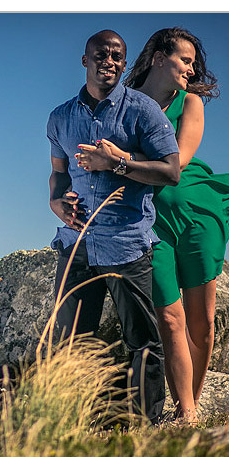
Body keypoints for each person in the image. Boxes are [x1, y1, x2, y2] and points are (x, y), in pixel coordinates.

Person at [99, 27, 229, 423]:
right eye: (184, 60)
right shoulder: (119, 104)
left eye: (194, 63)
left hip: (196, 213)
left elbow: (175, 163)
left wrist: (119, 158)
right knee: (169, 316)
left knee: (204, 320)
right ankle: (188, 414)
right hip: (146, 221)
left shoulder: (190, 103)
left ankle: (186, 406)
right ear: (159, 57)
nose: (190, 70)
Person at [47, 30, 181, 422]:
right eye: (101, 54)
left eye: (117, 56)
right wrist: (55, 202)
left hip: (126, 244)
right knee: (73, 345)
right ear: (84, 59)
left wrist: (117, 163)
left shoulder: (143, 111)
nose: (109, 60)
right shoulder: (60, 117)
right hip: (76, 245)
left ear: (124, 64)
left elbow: (170, 171)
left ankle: (143, 427)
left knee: (142, 342)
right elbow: (58, 174)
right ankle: (78, 427)